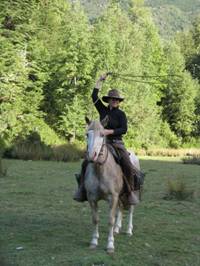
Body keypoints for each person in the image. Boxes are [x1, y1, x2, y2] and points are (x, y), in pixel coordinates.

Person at [73, 73, 144, 204]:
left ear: (119, 102)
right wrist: (100, 80)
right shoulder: (102, 110)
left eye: (116, 100)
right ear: (108, 100)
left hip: (117, 143)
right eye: (112, 99)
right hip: (102, 143)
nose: (114, 101)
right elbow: (94, 96)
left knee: (128, 164)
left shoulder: (121, 114)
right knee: (85, 162)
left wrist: (108, 131)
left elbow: (124, 129)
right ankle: (82, 189)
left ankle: (129, 192)